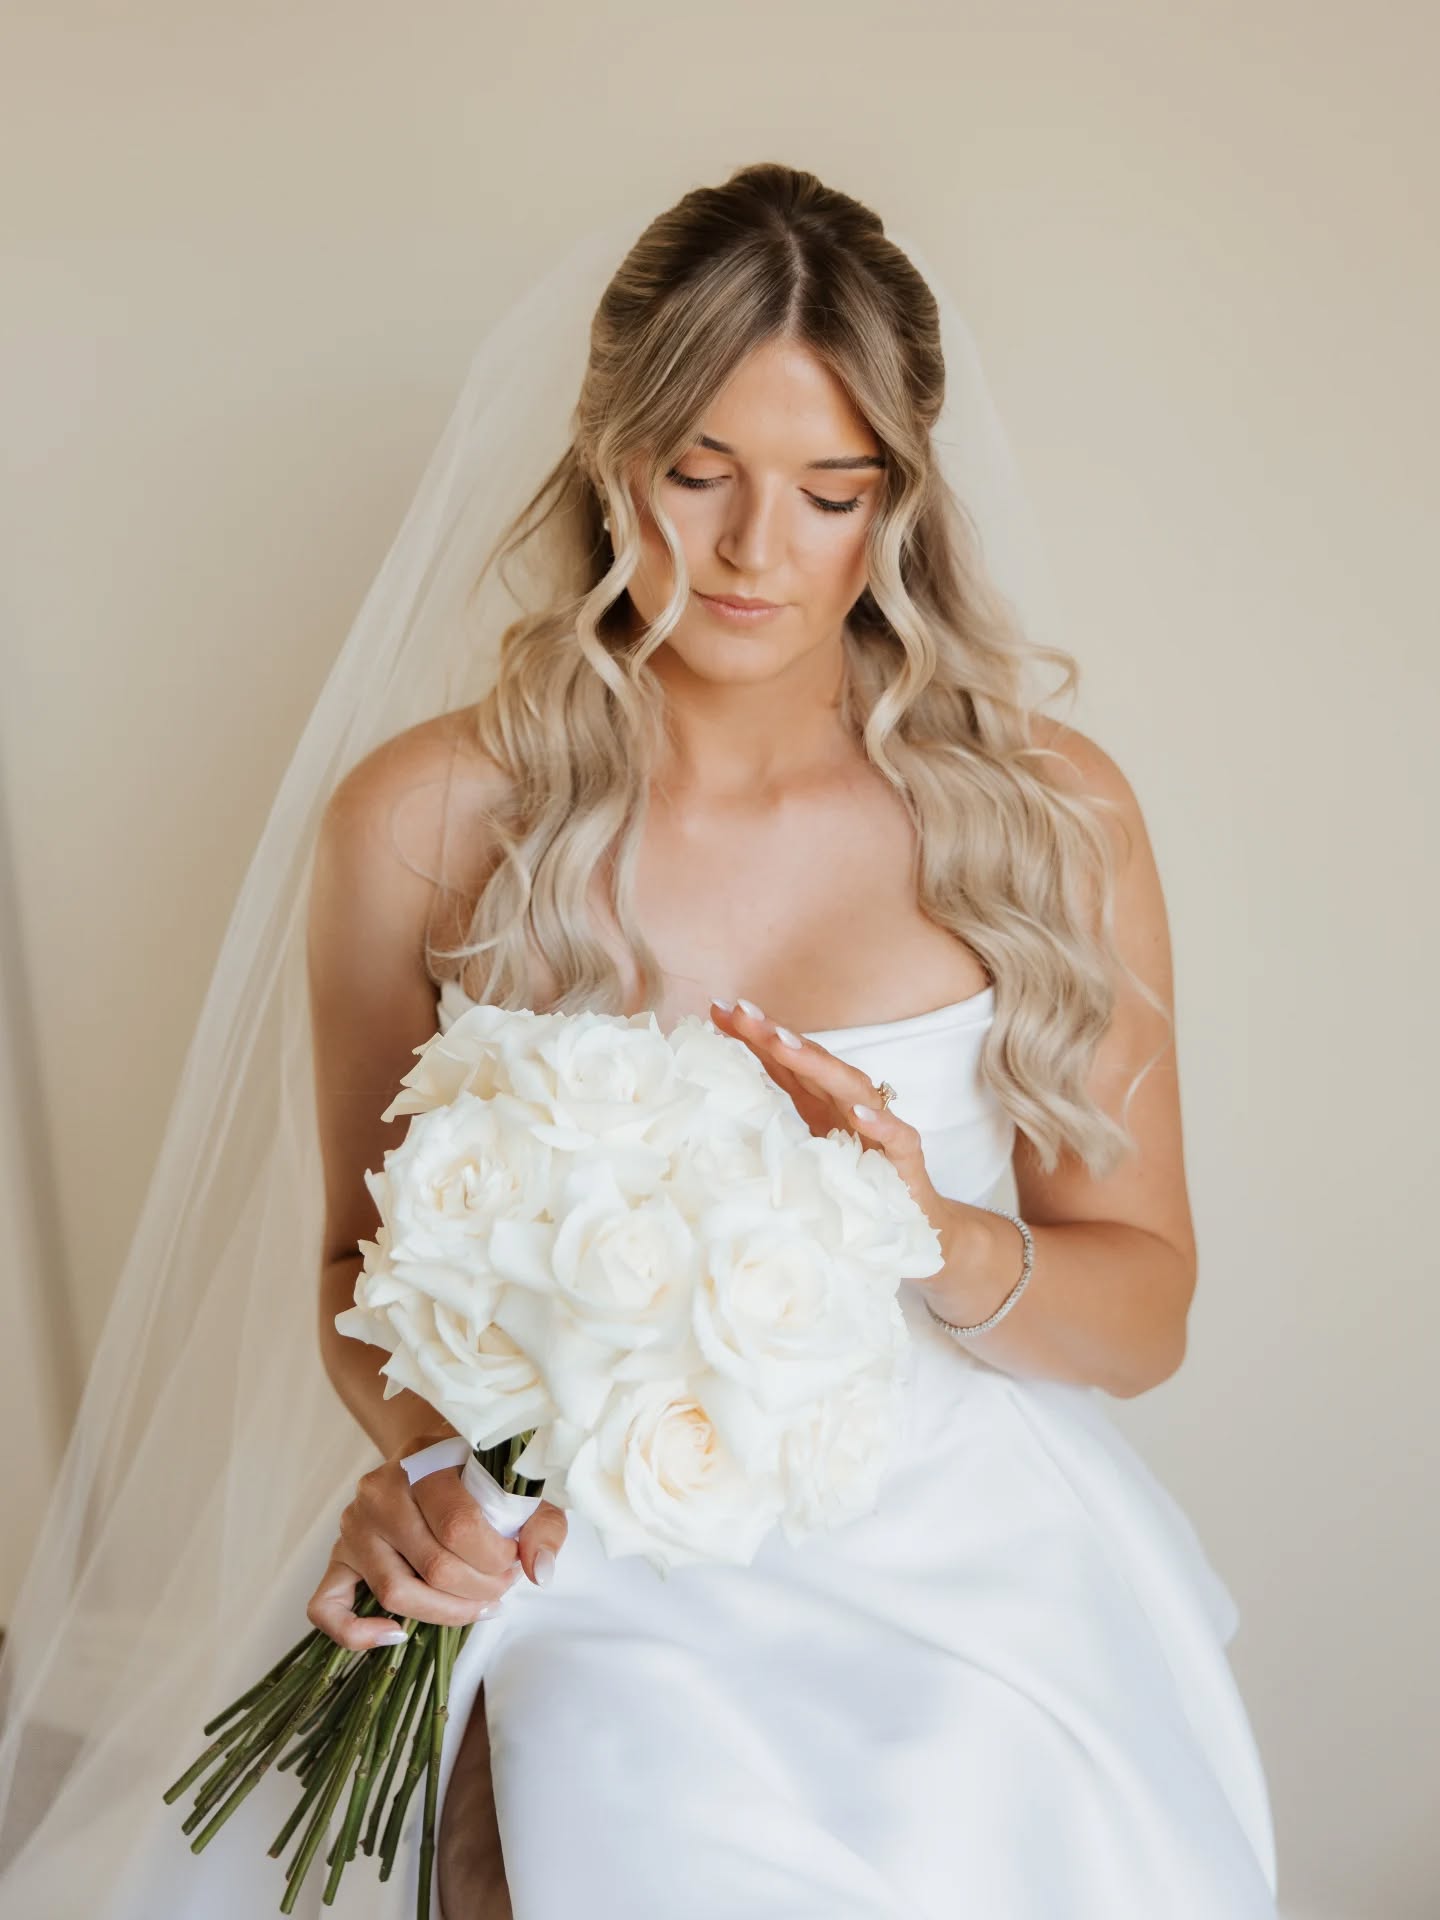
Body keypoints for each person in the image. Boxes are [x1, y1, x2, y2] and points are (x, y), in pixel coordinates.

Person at [0, 163, 1280, 1919]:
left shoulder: (1048, 817)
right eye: (701, 476)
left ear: (898, 499)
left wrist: (928, 1223)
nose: (757, 554)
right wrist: (435, 1474)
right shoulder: (427, 820)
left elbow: (1144, 1306)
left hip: (963, 1554)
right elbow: (356, 1274)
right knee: (603, 1802)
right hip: (577, 1549)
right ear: (612, 462)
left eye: (829, 493)